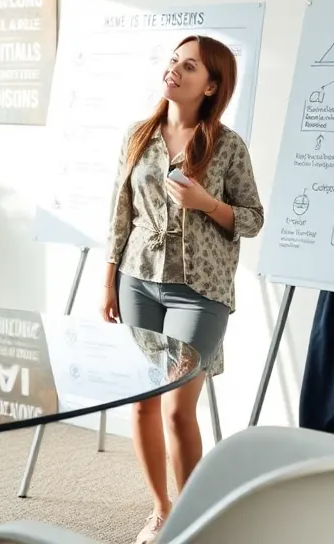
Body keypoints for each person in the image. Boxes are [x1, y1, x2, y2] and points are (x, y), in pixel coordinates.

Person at [99, 35, 264, 544]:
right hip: (137, 282)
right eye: (173, 60)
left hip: (201, 289)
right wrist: (109, 282)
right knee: (144, 402)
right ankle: (162, 510)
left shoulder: (228, 145)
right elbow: (119, 213)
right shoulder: (137, 135)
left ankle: (195, 518)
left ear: (211, 85)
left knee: (175, 404)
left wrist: (206, 203)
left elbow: (254, 219)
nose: (174, 69)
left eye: (188, 66)